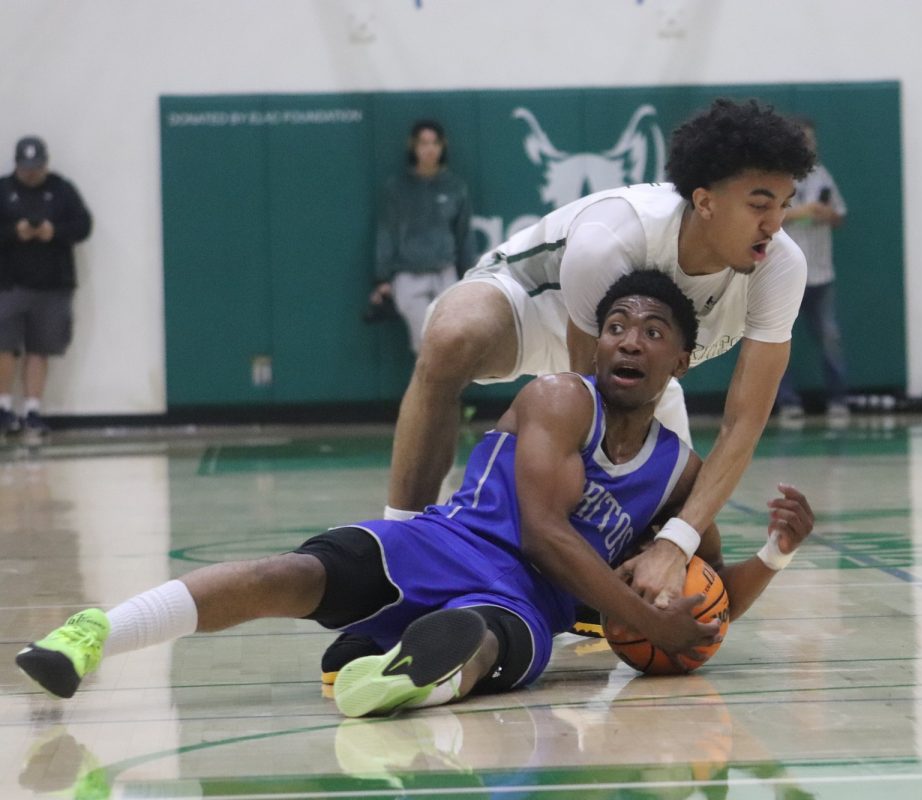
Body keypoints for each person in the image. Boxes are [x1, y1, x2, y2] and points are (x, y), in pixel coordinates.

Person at [15, 271, 815, 718]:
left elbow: (704, 598)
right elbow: (543, 533)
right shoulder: (563, 399)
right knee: (290, 576)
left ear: (681, 360)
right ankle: (96, 632)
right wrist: (644, 619)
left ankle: (404, 674)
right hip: (443, 542)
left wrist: (775, 552)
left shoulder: (679, 472)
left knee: (486, 637)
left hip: (525, 607)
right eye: (615, 324)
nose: (627, 339)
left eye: (650, 331)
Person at [384, 98, 813, 607]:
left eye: (785, 205)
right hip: (539, 305)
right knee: (450, 336)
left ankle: (598, 599)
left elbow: (743, 424)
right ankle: (398, 552)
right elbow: (588, 405)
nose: (775, 223)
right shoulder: (614, 236)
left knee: (685, 527)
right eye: (759, 206)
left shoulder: (781, 266)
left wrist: (676, 544)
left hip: (638, 365)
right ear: (705, 201)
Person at [0, 136, 93, 439]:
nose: (31, 173)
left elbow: (83, 226)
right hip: (9, 284)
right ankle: (3, 409)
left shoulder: (61, 189)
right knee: (4, 347)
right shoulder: (3, 190)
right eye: (26, 168)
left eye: (37, 167)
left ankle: (32, 410)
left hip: (52, 285)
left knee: (40, 349)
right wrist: (14, 233)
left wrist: (54, 232)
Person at [366, 120, 474, 354]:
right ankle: (433, 390)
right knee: (426, 341)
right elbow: (386, 233)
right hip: (409, 275)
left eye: (434, 143)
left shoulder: (455, 186)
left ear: (442, 146)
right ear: (413, 146)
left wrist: (471, 275)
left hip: (445, 272)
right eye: (423, 143)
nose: (429, 149)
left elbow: (463, 234)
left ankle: (448, 391)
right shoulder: (397, 188)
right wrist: (381, 278)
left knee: (451, 338)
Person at [773, 119, 850, 425]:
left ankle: (838, 399)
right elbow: (766, 216)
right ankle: (787, 402)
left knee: (830, 337)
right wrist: (800, 213)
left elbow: (840, 215)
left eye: (810, 139)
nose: (807, 144)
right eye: (800, 138)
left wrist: (826, 214)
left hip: (821, 274)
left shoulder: (822, 174)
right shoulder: (776, 176)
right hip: (784, 275)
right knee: (778, 341)